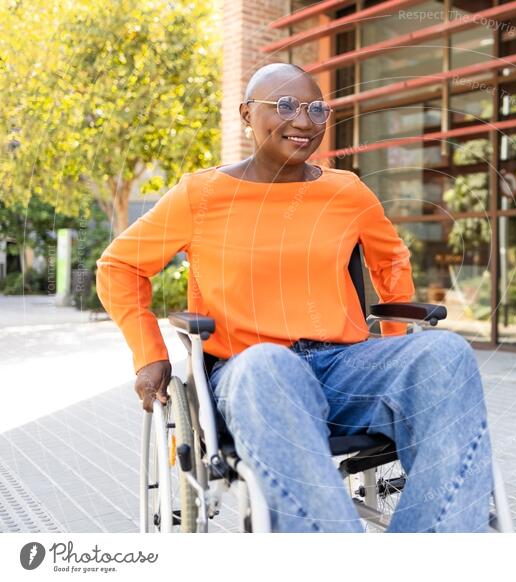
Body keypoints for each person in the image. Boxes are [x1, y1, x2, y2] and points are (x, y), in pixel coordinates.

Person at [96, 62, 494, 532]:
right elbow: (119, 265)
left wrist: (391, 344)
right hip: (251, 372)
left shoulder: (346, 191)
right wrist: (149, 354)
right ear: (247, 115)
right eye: (284, 106)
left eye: (316, 109)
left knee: (446, 353)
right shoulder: (200, 195)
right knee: (270, 365)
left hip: (344, 368)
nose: (303, 121)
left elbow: (391, 262)